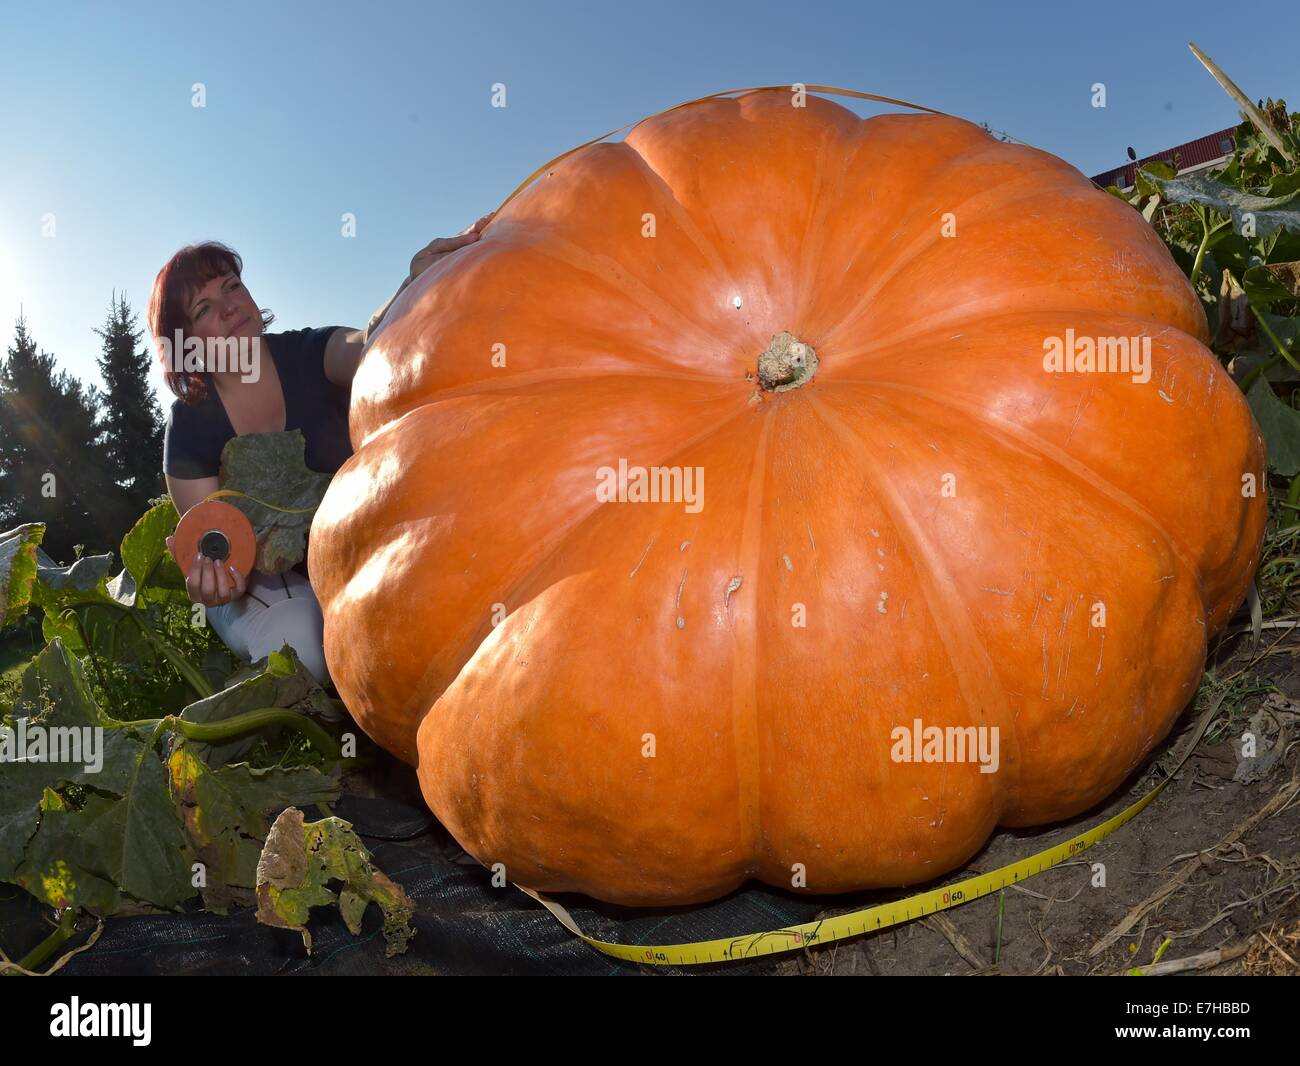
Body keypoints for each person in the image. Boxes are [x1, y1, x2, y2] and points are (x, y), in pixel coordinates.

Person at [150, 216, 492, 684]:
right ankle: (281, 684)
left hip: (355, 548)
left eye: (231, 287)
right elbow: (217, 545)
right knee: (303, 643)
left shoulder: (309, 352)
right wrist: (215, 584)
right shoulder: (189, 428)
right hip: (266, 584)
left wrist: (411, 285)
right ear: (186, 343)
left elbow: (369, 342)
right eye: (204, 308)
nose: (229, 307)